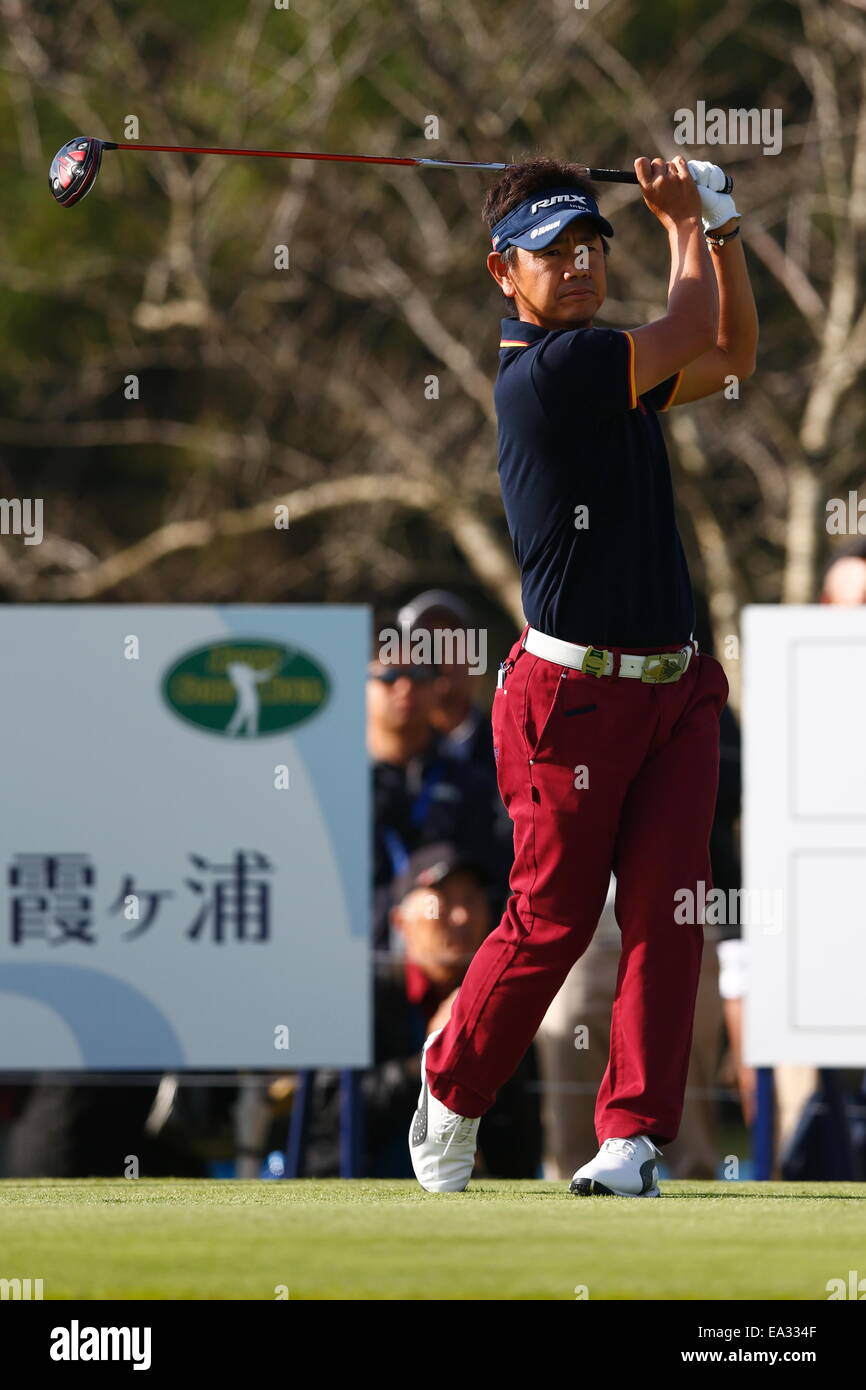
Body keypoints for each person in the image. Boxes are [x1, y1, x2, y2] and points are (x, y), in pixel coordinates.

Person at [410, 154, 758, 1197]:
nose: (575, 265)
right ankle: (452, 1083)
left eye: (587, 245)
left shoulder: (614, 368)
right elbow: (694, 328)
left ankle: (632, 1139)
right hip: (573, 701)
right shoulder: (550, 372)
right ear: (498, 274)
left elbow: (730, 352)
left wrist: (722, 233)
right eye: (548, 252)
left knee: (669, 910)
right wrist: (683, 221)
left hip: (673, 691)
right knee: (552, 918)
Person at [299, 843, 541, 1177]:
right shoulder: (360, 994)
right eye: (441, 902)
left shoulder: (501, 1003)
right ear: (399, 921)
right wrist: (437, 1056)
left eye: (472, 900)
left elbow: (518, 1143)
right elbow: (329, 1116)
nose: (462, 916)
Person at [369, 619, 510, 951]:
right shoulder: (331, 788)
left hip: (453, 972)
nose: (405, 688)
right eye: (389, 676)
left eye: (418, 676)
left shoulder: (475, 786)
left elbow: (498, 885)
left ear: (436, 685)